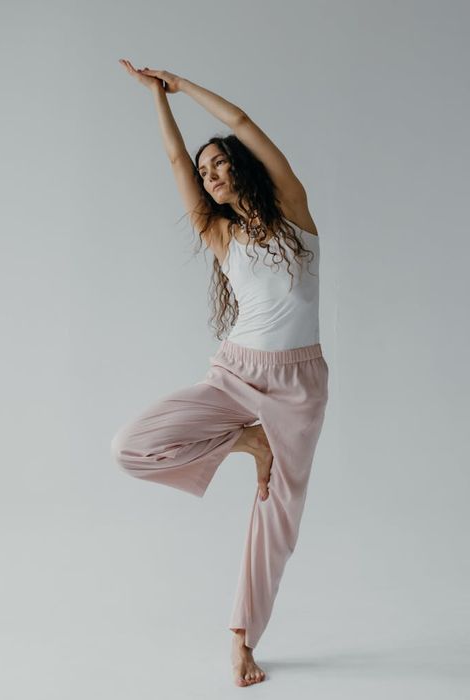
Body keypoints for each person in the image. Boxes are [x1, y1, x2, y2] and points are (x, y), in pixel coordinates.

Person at [111, 59, 329, 688]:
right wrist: (157, 102)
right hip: (235, 374)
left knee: (277, 521)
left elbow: (241, 121)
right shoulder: (220, 234)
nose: (207, 177)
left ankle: (241, 638)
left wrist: (181, 85)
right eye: (204, 173)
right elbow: (177, 164)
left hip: (300, 386)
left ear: (240, 166)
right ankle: (246, 441)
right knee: (131, 446)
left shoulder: (296, 216)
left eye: (218, 165)